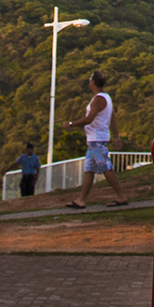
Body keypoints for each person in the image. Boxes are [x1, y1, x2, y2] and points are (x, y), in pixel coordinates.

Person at [63, 70, 129, 208]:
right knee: (89, 169)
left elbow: (89, 119)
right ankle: (81, 200)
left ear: (92, 82)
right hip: (95, 140)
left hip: (96, 140)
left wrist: (71, 124)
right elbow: (113, 118)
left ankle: (121, 196)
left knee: (106, 167)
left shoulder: (98, 99)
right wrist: (115, 136)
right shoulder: (107, 98)